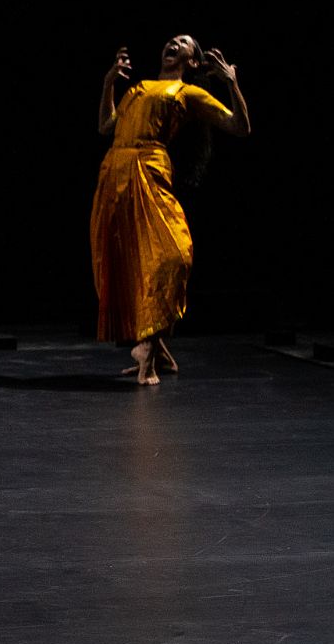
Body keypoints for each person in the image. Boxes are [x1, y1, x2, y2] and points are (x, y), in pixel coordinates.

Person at [92, 35, 250, 384]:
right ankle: (156, 352)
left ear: (192, 62)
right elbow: (105, 126)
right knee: (128, 262)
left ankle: (147, 350)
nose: (174, 42)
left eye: (184, 42)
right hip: (115, 173)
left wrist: (232, 83)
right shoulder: (137, 89)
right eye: (172, 40)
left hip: (150, 170)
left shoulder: (187, 93)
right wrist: (108, 84)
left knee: (174, 256)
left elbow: (240, 127)